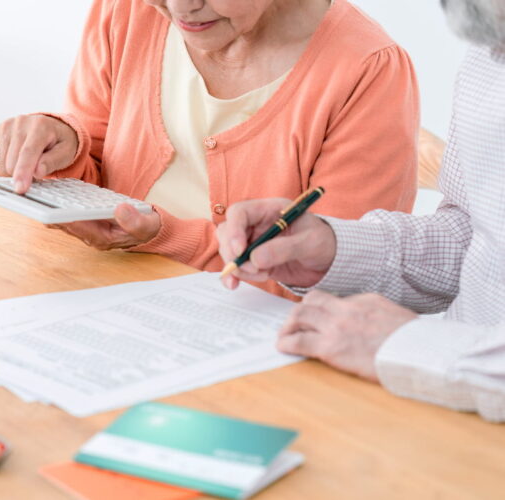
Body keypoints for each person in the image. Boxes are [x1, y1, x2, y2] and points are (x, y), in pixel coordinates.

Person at [0, 0, 419, 299]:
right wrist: (65, 145)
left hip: (256, 351)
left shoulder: (366, 69)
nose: (179, 7)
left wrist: (166, 238)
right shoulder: (129, 11)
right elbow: (96, 176)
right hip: (104, 298)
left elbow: (337, 282)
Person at [216, 0, 505, 422]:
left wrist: (411, 345)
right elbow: (479, 237)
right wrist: (335, 250)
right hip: (444, 410)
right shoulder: (487, 49)